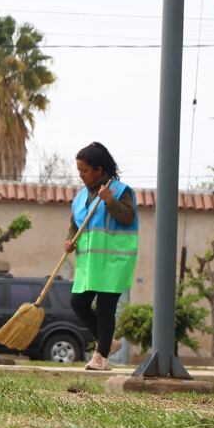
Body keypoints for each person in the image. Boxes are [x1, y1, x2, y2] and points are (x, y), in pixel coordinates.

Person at [65, 141, 138, 371]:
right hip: (89, 262)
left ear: (99, 169)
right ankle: (108, 342)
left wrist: (109, 201)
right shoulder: (79, 198)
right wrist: (70, 241)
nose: (81, 175)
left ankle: (101, 356)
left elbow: (127, 217)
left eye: (85, 171)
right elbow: (74, 224)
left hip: (114, 260)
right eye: (79, 171)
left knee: (106, 307)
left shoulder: (120, 191)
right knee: (78, 302)